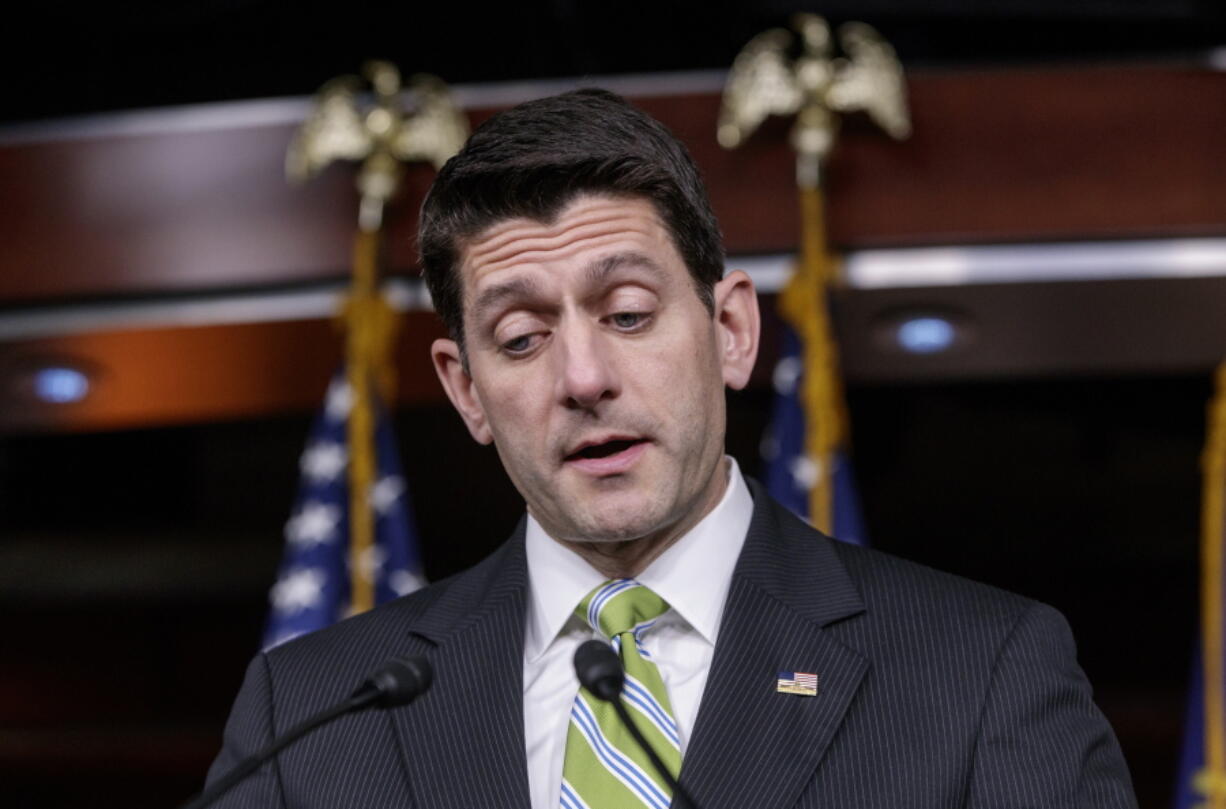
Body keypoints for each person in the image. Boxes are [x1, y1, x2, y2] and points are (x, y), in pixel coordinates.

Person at [206, 88, 1137, 808]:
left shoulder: (979, 677)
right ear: (464, 389)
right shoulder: (314, 713)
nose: (582, 375)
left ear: (730, 330)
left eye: (628, 314)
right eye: (522, 337)